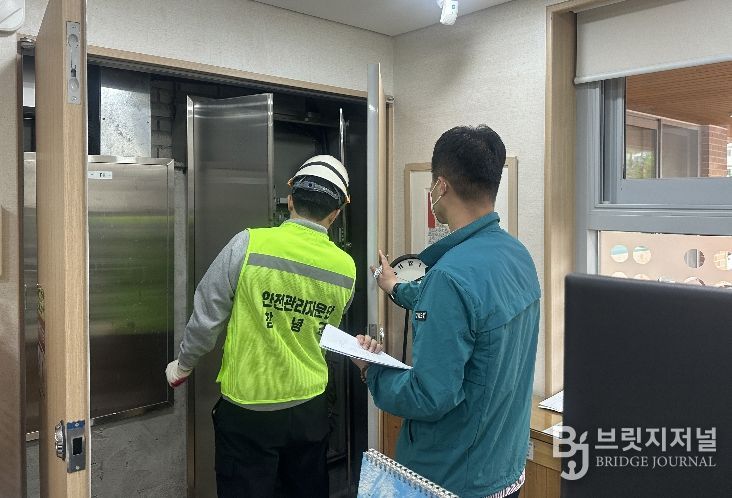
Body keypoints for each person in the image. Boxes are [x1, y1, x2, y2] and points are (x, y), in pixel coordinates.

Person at [357, 125, 540, 498]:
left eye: (431, 185)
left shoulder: (450, 278)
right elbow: (466, 309)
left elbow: (429, 396)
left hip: (451, 479)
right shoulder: (516, 255)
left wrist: (370, 370)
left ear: (441, 186)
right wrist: (393, 285)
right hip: (505, 469)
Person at [165, 155, 356, 498]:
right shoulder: (346, 268)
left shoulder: (248, 244)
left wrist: (183, 365)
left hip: (248, 410)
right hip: (310, 408)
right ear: (336, 213)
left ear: (290, 200)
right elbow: (325, 330)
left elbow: (206, 319)